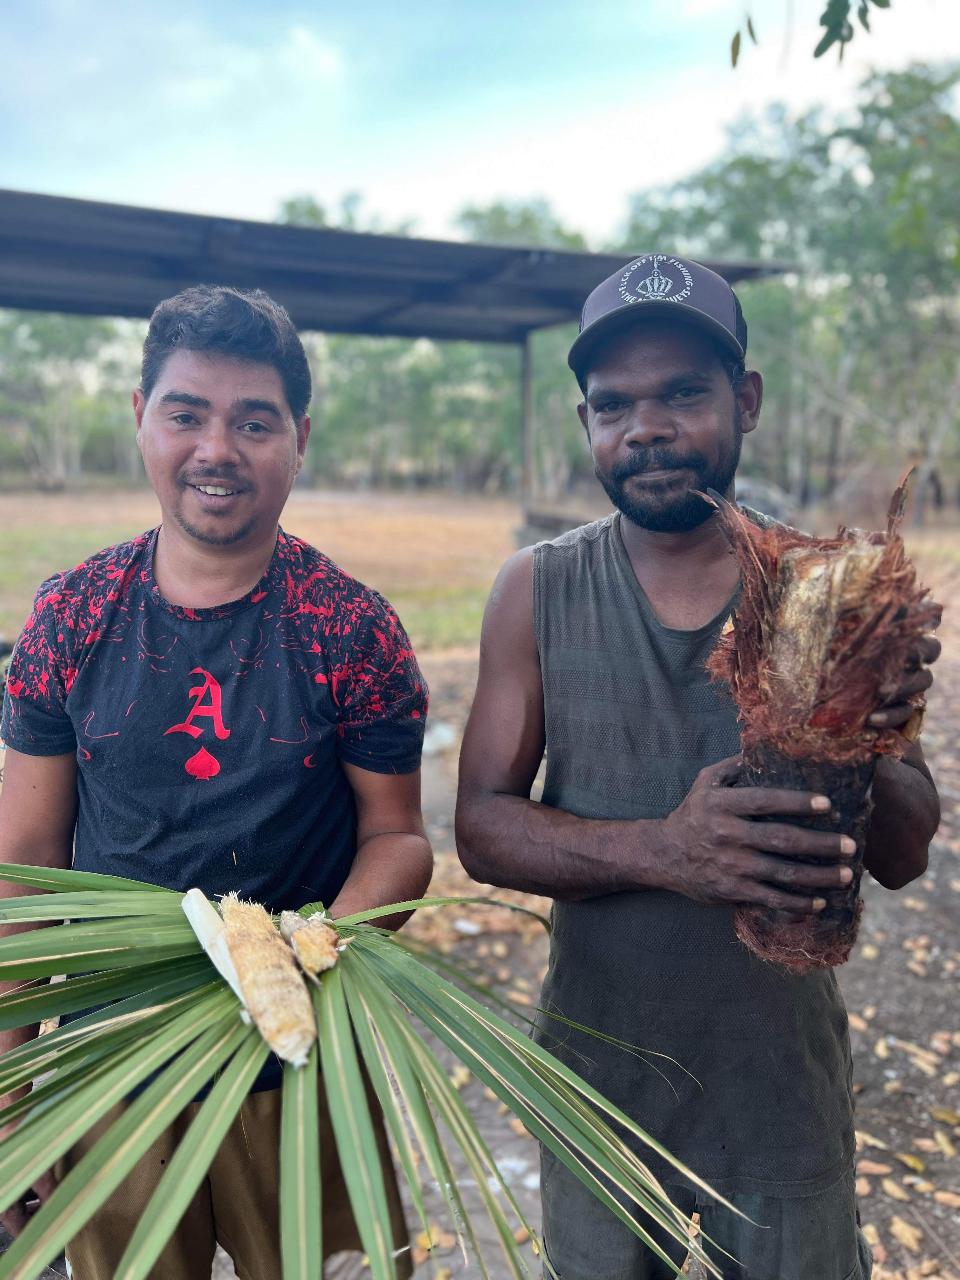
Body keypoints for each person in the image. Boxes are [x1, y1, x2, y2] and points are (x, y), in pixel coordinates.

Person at [455, 254, 940, 1280]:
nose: (647, 428)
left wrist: (870, 725)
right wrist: (667, 848)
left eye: (682, 392)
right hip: (597, 1076)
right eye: (614, 404)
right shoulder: (534, 589)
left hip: (777, 1088)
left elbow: (900, 852)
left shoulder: (826, 585)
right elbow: (483, 825)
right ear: (587, 422)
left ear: (745, 400)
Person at [0, 285, 431, 1278]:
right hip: (115, 1065)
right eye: (186, 413)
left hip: (300, 1059)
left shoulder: (351, 627)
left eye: (254, 421)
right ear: (140, 420)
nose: (217, 449)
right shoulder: (72, 615)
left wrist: (315, 945)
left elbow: (397, 838)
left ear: (299, 436)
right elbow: (26, 855)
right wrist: (15, 1071)